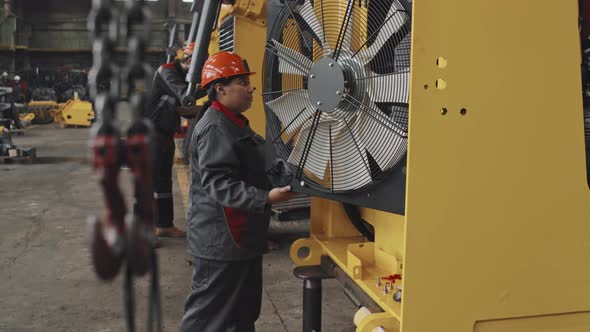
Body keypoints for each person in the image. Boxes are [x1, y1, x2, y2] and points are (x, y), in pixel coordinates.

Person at [180, 51, 294, 331]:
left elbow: (258, 158)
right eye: (242, 82)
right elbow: (218, 182)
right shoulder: (215, 127)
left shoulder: (234, 122)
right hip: (221, 241)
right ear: (220, 89)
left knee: (242, 314)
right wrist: (266, 197)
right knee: (207, 318)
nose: (250, 87)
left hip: (241, 239)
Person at [144, 42, 202, 238]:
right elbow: (186, 96)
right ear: (189, 60)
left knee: (163, 181)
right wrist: (211, 89)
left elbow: (180, 108)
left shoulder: (180, 77)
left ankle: (164, 225)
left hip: (164, 133)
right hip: (150, 132)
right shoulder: (167, 72)